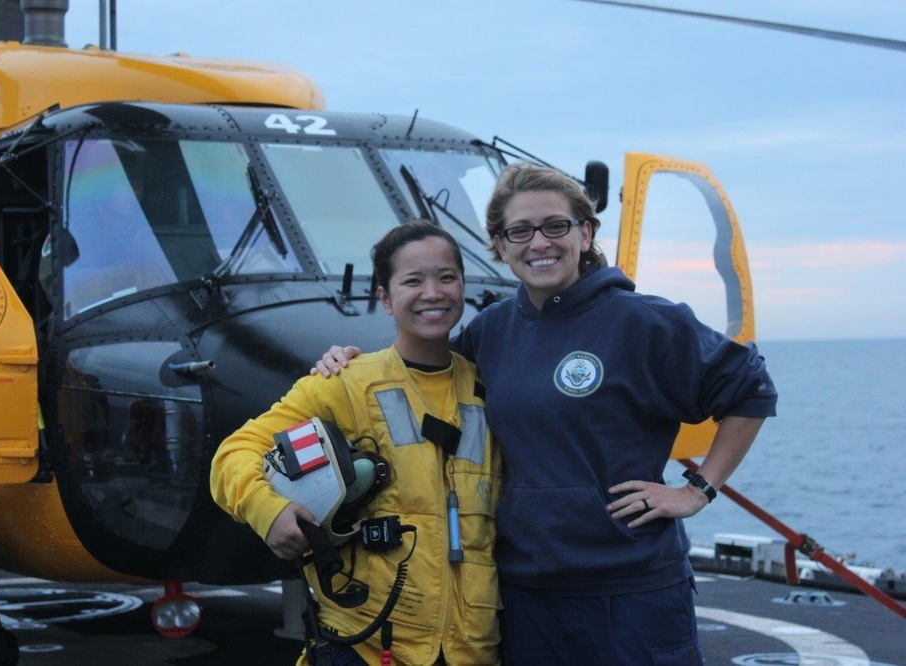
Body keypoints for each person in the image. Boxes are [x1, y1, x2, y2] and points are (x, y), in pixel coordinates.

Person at [312, 163, 778, 665]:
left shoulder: (643, 322)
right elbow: (425, 371)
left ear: (585, 231)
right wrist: (345, 359)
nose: (540, 243)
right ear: (500, 244)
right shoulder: (491, 332)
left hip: (631, 591)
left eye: (556, 225)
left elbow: (751, 388)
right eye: (521, 231)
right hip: (527, 591)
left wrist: (697, 490)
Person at [210, 220, 502, 665]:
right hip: (366, 643)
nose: (433, 292)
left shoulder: (491, 387)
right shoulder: (345, 382)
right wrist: (268, 511)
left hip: (472, 649)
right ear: (384, 298)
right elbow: (234, 453)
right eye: (412, 280)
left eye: (447, 277)